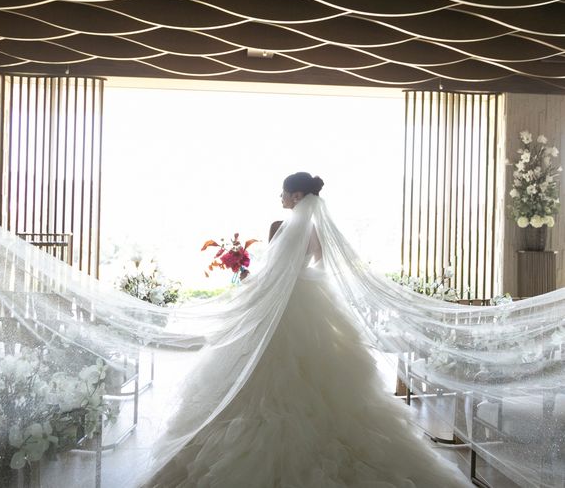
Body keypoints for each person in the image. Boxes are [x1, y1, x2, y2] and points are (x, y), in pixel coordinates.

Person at [143, 172, 471, 487]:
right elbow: (318, 261)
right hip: (309, 297)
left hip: (283, 303)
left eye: (284, 192)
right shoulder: (315, 230)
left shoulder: (277, 226)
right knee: (318, 370)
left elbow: (274, 272)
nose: (280, 197)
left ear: (296, 196)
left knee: (264, 369)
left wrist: (247, 277)